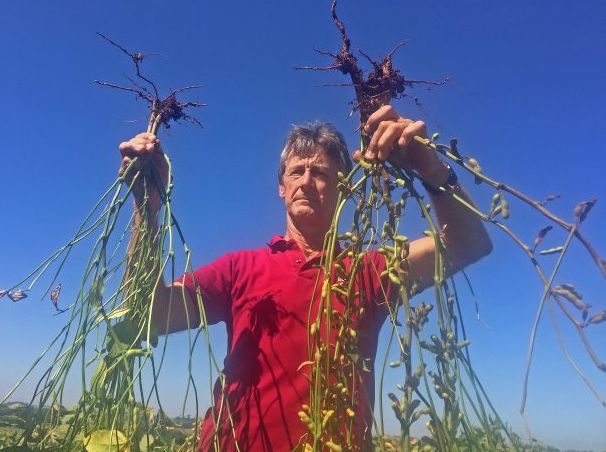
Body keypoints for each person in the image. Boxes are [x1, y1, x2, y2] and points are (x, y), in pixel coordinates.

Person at [118, 105, 493, 451]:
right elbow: (150, 313)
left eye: (322, 173)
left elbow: (469, 243)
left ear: (344, 187)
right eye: (297, 171)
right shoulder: (241, 268)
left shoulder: (368, 271)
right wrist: (147, 206)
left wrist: (431, 170)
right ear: (281, 188)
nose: (307, 181)